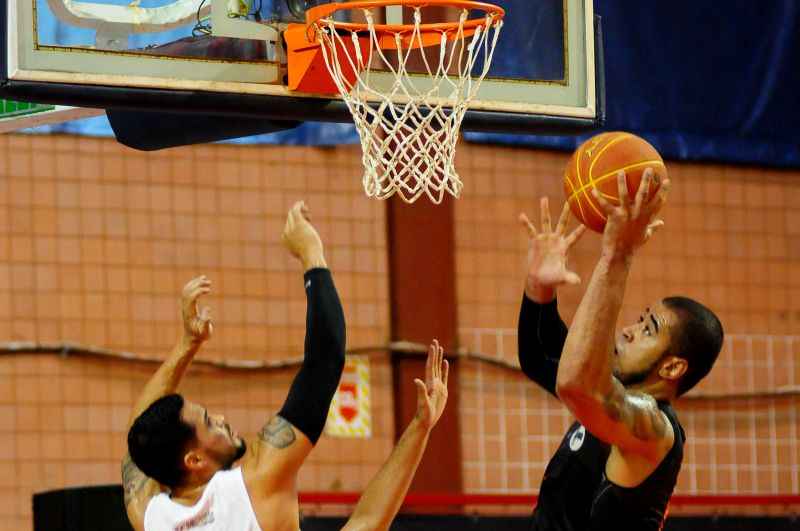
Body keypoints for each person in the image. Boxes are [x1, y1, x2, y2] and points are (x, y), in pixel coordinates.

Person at [517, 171, 724, 530]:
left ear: (673, 368)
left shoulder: (655, 430)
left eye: (648, 329)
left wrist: (618, 255)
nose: (629, 331)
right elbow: (540, 356)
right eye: (641, 321)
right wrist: (539, 290)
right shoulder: (610, 395)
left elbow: (577, 384)